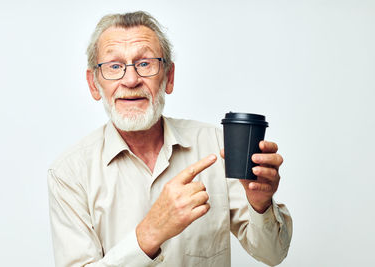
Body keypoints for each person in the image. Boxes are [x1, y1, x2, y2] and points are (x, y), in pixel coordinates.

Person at [48, 11, 292, 267]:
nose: (131, 80)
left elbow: (272, 254)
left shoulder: (217, 146)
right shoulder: (68, 174)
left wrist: (261, 204)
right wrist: (150, 233)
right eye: (115, 67)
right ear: (94, 84)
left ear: (169, 77)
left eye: (145, 63)